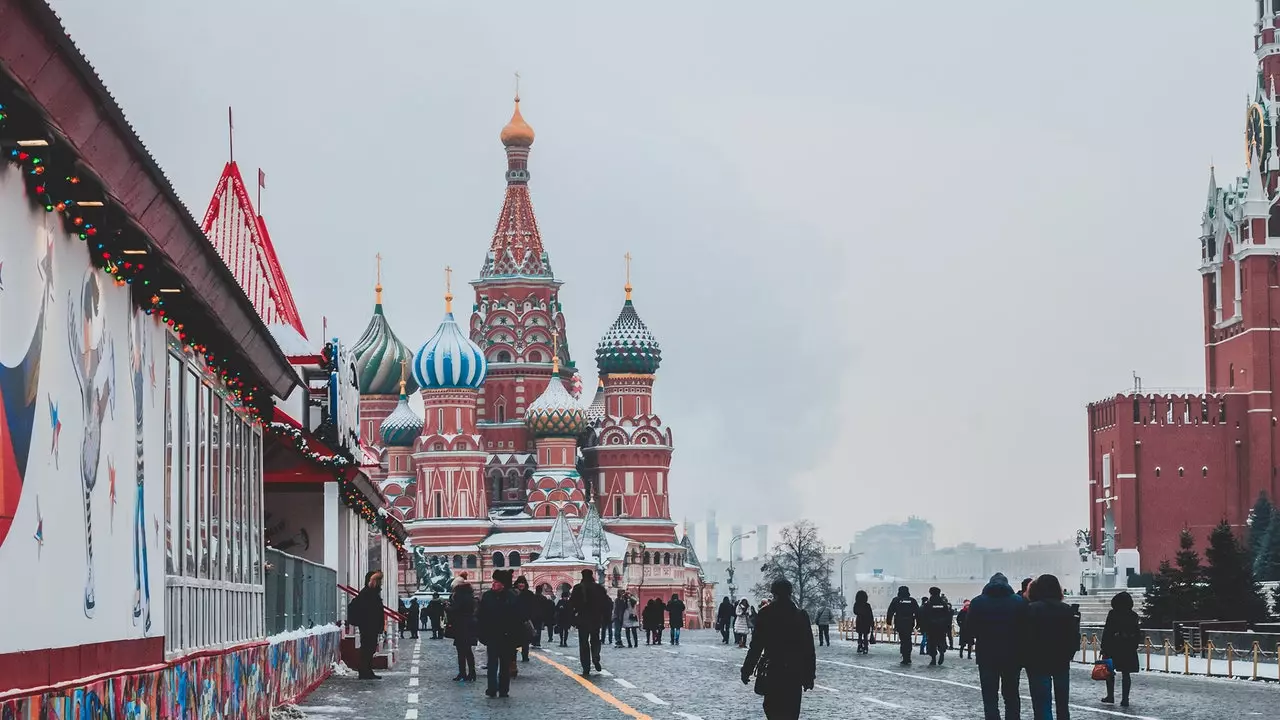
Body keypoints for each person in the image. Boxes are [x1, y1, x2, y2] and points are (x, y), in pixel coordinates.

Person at [741, 579, 817, 720]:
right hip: (794, 672)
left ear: (773, 593)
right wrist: (809, 675)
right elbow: (809, 650)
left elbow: (756, 647)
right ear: (790, 593)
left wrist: (747, 670)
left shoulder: (765, 615)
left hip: (773, 671)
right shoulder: (801, 616)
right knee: (791, 713)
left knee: (773, 711)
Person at [968, 572, 1026, 720]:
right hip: (1013, 655)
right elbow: (1026, 628)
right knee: (1012, 694)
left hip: (986, 655)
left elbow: (970, 629)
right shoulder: (1018, 602)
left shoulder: (977, 602)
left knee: (989, 696)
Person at [1021, 574, 1079, 720]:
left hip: (1037, 662)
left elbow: (1025, 637)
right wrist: (1068, 655)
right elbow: (1074, 637)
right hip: (1061, 661)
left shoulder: (1031, 609)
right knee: (1062, 704)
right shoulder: (1067, 609)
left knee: (1042, 704)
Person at [477, 569, 522, 698]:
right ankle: (491, 688)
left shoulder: (511, 597)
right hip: (492, 635)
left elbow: (517, 618)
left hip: (507, 636)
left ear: (503, 584)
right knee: (492, 664)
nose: (493, 584)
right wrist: (482, 633)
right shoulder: (487, 596)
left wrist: (514, 635)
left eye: (496, 582)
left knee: (504, 665)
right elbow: (481, 616)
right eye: (493, 581)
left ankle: (504, 689)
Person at [1100, 591, 1140, 708]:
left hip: (1113, 647)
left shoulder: (1113, 614)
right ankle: (1125, 699)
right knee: (1126, 674)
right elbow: (1137, 633)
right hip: (1128, 648)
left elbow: (1107, 631)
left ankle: (1110, 696)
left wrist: (1104, 647)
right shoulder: (1133, 615)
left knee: (1110, 673)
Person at [569, 569, 610, 676]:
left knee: (583, 643)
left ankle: (586, 666)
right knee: (595, 640)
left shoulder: (578, 588)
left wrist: (573, 616)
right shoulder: (599, 588)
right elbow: (606, 604)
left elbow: (571, 604)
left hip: (582, 619)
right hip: (596, 618)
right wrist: (605, 617)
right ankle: (596, 657)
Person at [347, 570, 385, 680]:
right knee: (367, 649)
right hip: (368, 626)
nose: (381, 583)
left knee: (370, 649)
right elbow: (369, 611)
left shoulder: (370, 593)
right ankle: (364, 671)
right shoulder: (368, 593)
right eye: (379, 581)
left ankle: (367, 670)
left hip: (370, 626)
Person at [449, 575, 478, 682]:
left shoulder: (460, 598)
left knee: (461, 652)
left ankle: (462, 673)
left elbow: (455, 610)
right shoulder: (471, 598)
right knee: (468, 651)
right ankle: (472, 673)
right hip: (469, 627)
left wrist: (447, 607)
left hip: (461, 626)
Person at [885, 586, 920, 666]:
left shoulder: (896, 600)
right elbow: (918, 613)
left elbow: (890, 611)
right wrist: (918, 623)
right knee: (908, 638)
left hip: (900, 622)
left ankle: (905, 656)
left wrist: (889, 621)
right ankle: (908, 656)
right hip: (909, 622)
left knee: (903, 639)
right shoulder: (912, 600)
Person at [920, 587, 953, 666]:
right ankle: (941, 652)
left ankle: (933, 659)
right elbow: (947, 615)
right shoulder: (943, 604)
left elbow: (924, 616)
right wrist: (947, 626)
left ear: (931, 593)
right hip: (942, 627)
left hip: (931, 627)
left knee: (932, 643)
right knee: (941, 641)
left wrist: (923, 627)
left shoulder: (928, 604)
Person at [514, 576, 537, 663]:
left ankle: (525, 656)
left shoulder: (529, 594)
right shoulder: (513, 593)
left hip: (525, 620)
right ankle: (513, 657)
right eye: (519, 583)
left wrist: (530, 617)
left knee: (525, 640)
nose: (521, 584)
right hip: (514, 620)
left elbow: (533, 607)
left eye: (522, 583)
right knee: (514, 640)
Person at [853, 590, 874, 654]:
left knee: (860, 635)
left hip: (859, 621)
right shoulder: (867, 605)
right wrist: (872, 623)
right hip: (866, 621)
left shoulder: (856, 604)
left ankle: (859, 646)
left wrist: (860, 613)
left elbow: (855, 611)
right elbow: (870, 614)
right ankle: (865, 647)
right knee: (865, 635)